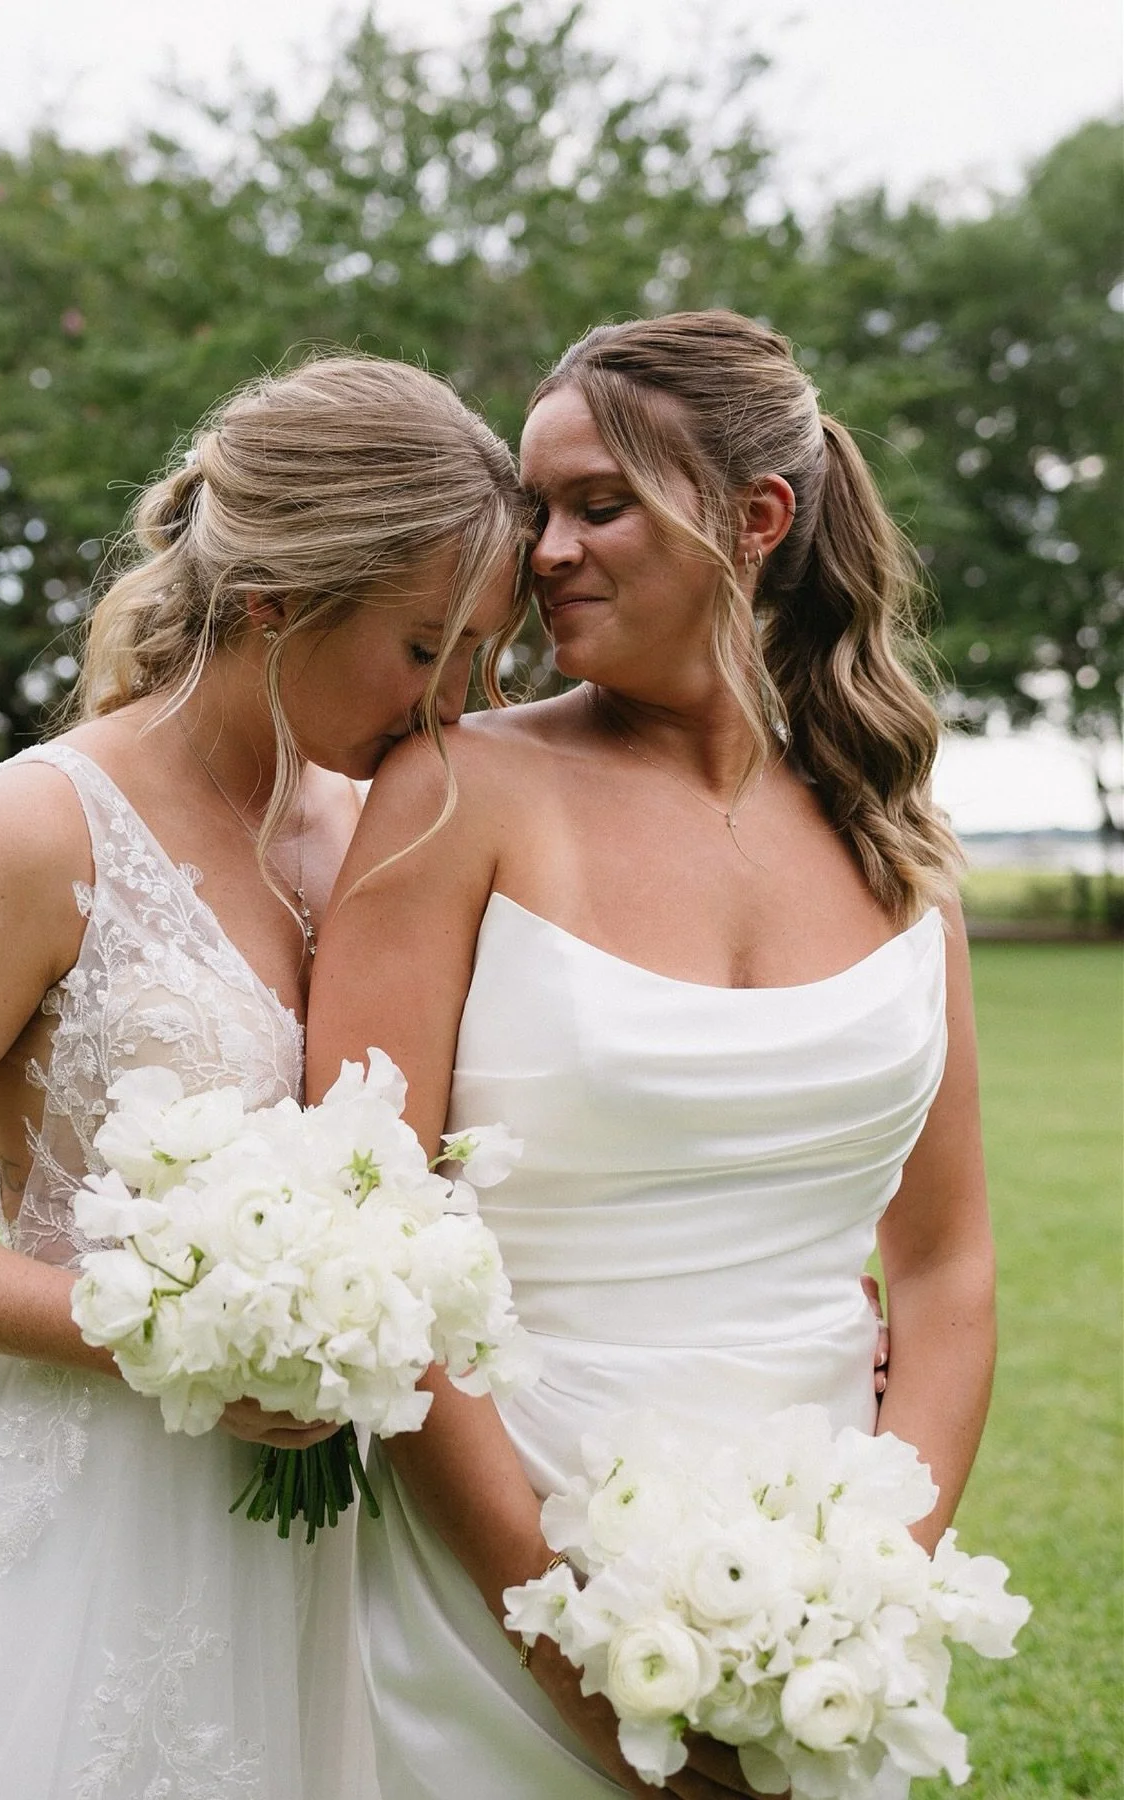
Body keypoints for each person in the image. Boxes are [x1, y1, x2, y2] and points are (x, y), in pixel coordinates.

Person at [0, 355, 528, 1800]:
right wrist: (179, 1341)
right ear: (276, 598)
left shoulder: (392, 835)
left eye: (487, 656)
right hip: (82, 1516)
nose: (461, 704)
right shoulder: (43, 829)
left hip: (341, 1543)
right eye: (429, 649)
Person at [306, 311, 997, 1799]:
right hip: (498, 1552)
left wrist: (866, 1597)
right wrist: (566, 1641)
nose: (543, 550)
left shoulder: (901, 844)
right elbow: (372, 1225)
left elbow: (943, 1268)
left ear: (756, 521)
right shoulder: (458, 790)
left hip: (807, 1570)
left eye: (597, 505)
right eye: (535, 510)